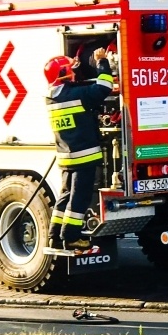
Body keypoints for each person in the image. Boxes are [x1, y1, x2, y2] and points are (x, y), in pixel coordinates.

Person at [45, 52, 113, 252]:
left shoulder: (51, 98)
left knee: (65, 195)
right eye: (71, 70)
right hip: (84, 156)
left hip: (66, 157)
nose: (74, 72)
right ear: (64, 73)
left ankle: (54, 236)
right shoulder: (76, 95)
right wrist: (102, 62)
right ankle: (71, 237)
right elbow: (104, 87)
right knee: (79, 198)